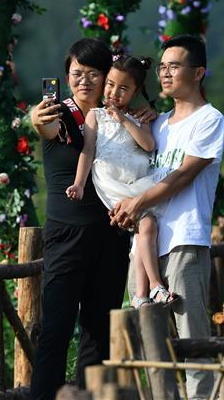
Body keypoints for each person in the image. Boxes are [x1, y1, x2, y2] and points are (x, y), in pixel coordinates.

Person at [29, 38, 150, 400]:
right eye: (76, 73)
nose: (84, 81)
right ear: (66, 76)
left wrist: (145, 113)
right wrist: (35, 118)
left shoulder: (118, 117)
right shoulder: (59, 114)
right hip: (67, 235)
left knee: (100, 331)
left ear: (107, 77)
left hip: (112, 234)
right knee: (56, 329)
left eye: (93, 74)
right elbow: (44, 125)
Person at [110, 35, 224, 399]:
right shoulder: (157, 124)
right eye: (161, 67)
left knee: (193, 340)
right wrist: (124, 206)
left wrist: (136, 203)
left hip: (184, 241)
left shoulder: (210, 120)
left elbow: (182, 176)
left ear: (198, 72)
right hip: (144, 246)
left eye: (174, 66)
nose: (164, 73)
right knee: (149, 343)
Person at [65, 53, 180, 307]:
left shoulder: (140, 117)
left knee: (146, 227)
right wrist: (79, 183)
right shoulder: (95, 115)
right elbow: (88, 151)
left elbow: (148, 145)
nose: (114, 93)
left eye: (123, 88)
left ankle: (142, 294)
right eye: (110, 84)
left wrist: (124, 120)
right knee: (146, 224)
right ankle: (154, 286)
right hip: (112, 184)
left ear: (135, 91)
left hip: (137, 183)